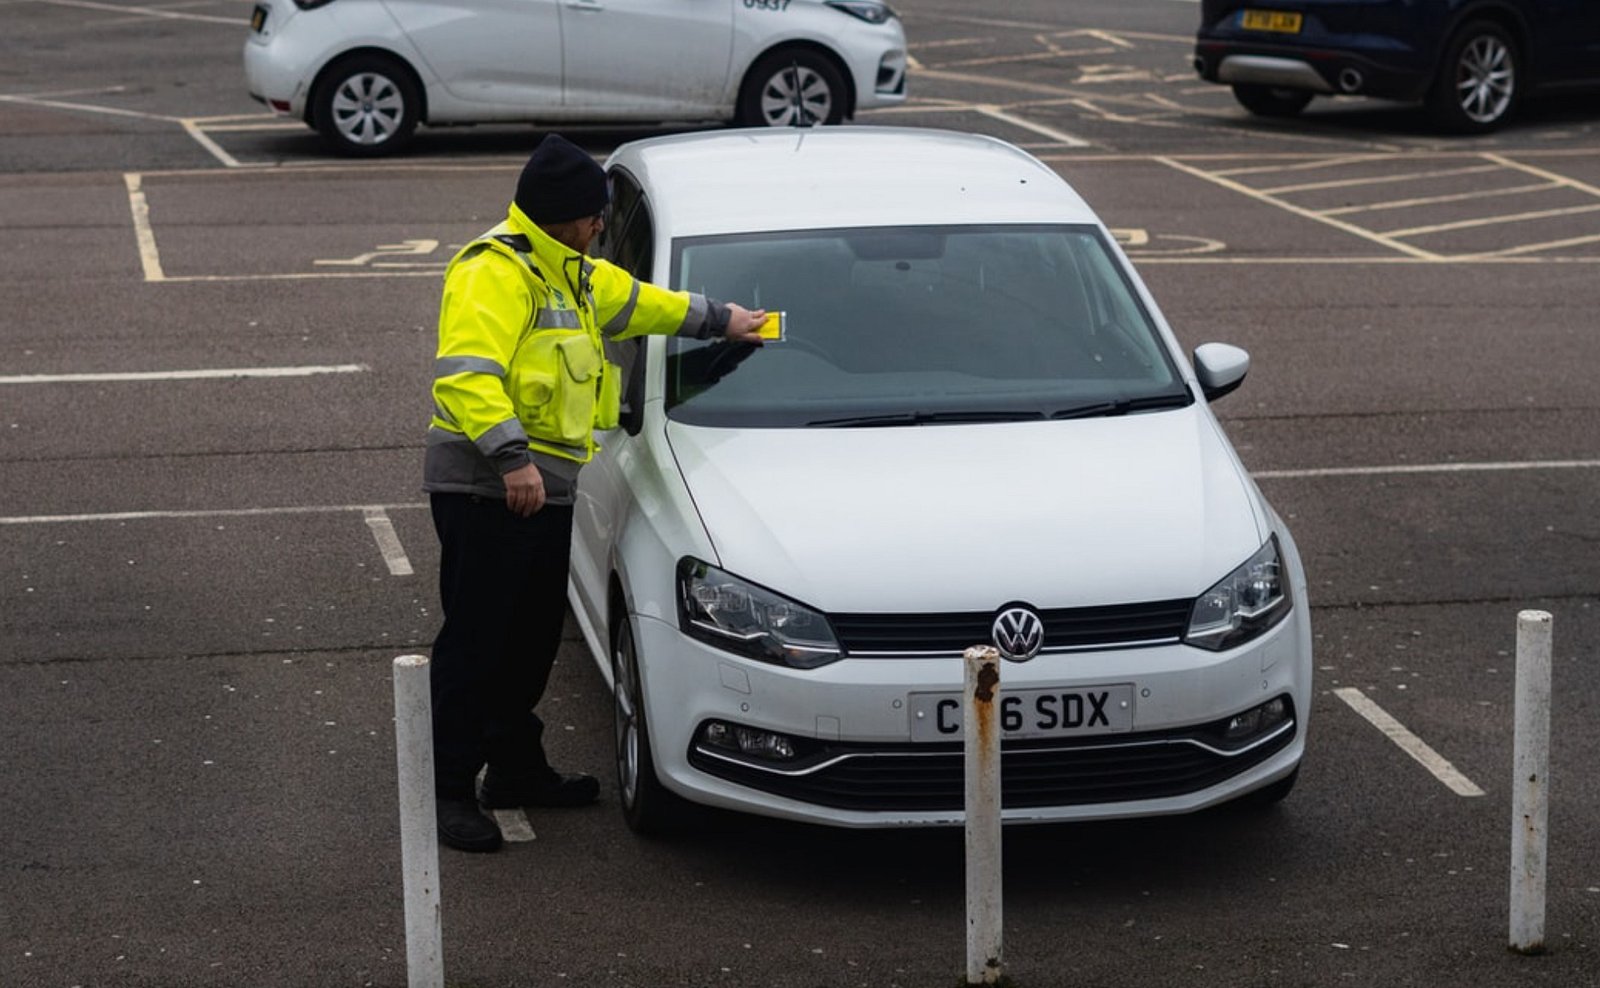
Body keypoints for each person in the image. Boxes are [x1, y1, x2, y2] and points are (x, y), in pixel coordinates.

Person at [423, 134, 767, 852]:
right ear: (560, 218)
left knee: (526, 645)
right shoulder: (496, 272)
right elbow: (466, 376)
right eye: (594, 216)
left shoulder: (572, 271)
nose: (602, 227)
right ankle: (451, 790)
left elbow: (643, 302)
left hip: (542, 490)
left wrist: (724, 320)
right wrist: (510, 459)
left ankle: (515, 768)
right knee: (478, 644)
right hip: (488, 489)